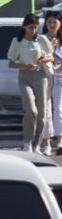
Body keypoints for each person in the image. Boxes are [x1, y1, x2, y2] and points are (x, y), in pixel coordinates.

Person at [8, 13, 55, 153]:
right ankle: (27, 142)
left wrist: (43, 59)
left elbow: (51, 56)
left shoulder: (41, 40)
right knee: (31, 110)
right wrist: (25, 65)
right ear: (24, 27)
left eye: (35, 28)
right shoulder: (17, 41)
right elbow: (10, 64)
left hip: (41, 76)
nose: (33, 31)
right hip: (24, 77)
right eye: (30, 28)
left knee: (42, 113)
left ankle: (36, 145)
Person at [44, 11, 62, 153]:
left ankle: (59, 140)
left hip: (60, 76)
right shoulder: (41, 39)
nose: (51, 25)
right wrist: (50, 46)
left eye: (54, 22)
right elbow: (39, 57)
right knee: (46, 108)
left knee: (59, 107)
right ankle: (47, 142)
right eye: (49, 22)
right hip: (44, 76)